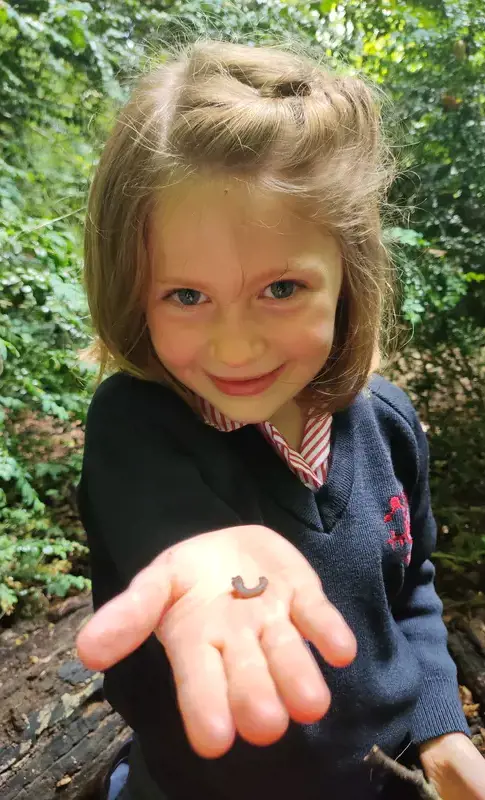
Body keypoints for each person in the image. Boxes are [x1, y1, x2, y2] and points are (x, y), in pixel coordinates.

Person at [75, 39, 485, 800]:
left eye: (282, 288)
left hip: (388, 774)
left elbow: (413, 589)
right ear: (134, 292)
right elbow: (171, 528)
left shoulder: (386, 422)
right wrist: (211, 552)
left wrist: (441, 728)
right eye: (186, 296)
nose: (235, 345)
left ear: (348, 274)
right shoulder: (136, 427)